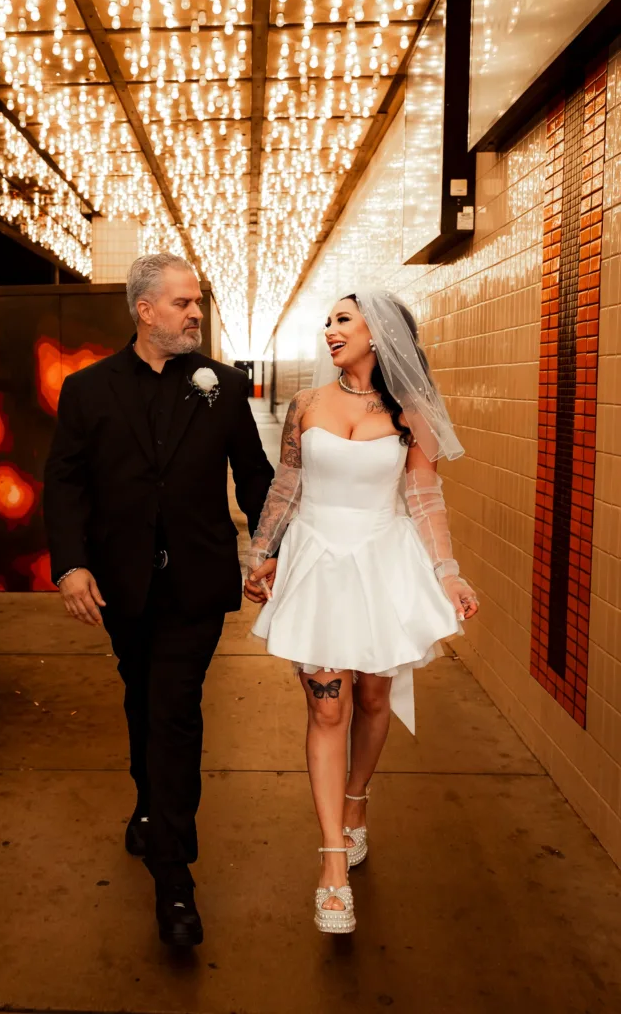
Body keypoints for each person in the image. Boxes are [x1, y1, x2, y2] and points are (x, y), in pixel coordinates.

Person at [44, 253, 274, 948]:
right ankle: (149, 803)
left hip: (197, 586)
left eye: (196, 301)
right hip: (121, 586)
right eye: (182, 303)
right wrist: (72, 565)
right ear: (145, 310)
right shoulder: (87, 390)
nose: (195, 313)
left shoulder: (224, 388)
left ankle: (175, 881)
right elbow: (65, 484)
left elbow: (257, 479)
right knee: (140, 696)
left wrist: (271, 553)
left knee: (173, 710)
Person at [244, 289, 478, 935]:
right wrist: (262, 552)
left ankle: (355, 802)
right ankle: (332, 866)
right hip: (317, 564)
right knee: (327, 706)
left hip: (381, 562)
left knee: (374, 699)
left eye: (342, 319)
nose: (328, 330)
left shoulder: (413, 413)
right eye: (327, 321)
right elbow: (286, 482)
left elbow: (425, 498)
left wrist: (448, 573)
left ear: (381, 333)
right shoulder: (307, 405)